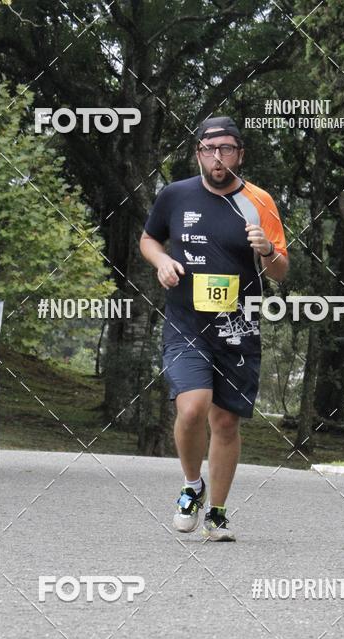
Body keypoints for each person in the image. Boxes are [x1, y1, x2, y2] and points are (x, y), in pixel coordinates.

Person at [140, 116, 289, 541]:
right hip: (186, 322)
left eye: (226, 149)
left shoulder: (260, 201)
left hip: (238, 327)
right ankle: (192, 485)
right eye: (209, 149)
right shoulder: (175, 195)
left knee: (225, 422)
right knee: (191, 408)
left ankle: (218, 513)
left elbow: (281, 270)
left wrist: (266, 252)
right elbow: (149, 239)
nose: (217, 157)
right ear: (198, 153)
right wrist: (162, 261)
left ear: (240, 154)